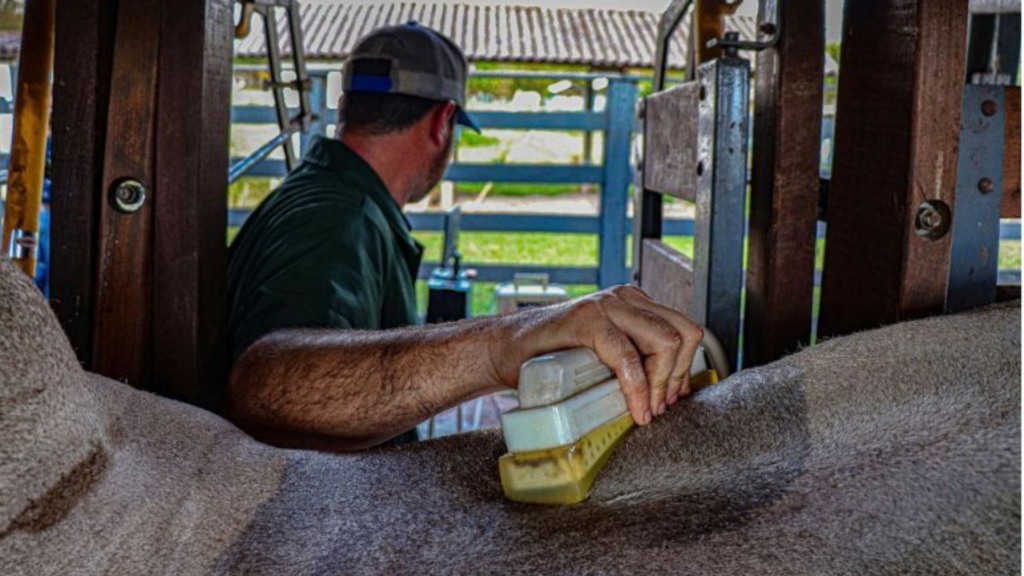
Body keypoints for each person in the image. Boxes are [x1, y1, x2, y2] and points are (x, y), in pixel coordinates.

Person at [226, 22, 703, 452]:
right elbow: (265, 389)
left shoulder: (334, 198)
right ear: (442, 122)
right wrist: (504, 345)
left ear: (348, 106)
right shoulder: (335, 218)